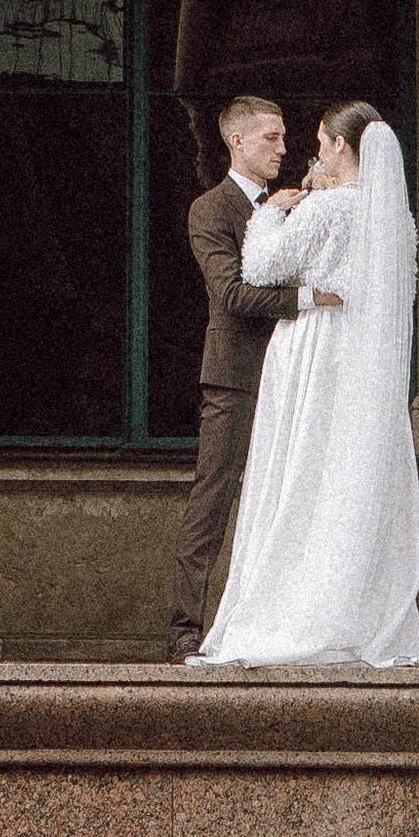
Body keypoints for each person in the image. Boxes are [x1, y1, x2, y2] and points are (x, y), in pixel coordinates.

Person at [191, 105, 419, 669]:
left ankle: (290, 609)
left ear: (338, 147)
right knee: (344, 477)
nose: (306, 151)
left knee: (297, 475)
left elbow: (259, 268)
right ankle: (353, 612)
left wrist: (272, 214)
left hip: (313, 355)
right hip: (363, 363)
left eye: (318, 142)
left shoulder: (327, 208)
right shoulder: (397, 222)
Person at [167, 92, 332, 658]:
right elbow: (233, 294)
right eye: (271, 138)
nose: (283, 149)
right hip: (236, 375)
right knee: (213, 499)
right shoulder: (210, 210)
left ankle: (280, 627)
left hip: (297, 370)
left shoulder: (295, 204)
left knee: (292, 498)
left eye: (287, 137)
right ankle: (184, 634)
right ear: (236, 141)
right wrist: (310, 297)